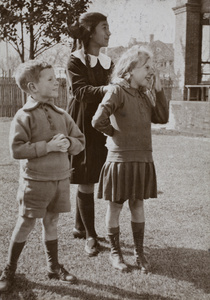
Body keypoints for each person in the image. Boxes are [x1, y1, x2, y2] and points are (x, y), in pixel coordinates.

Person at [0, 60, 85, 293]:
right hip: (35, 182)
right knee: (26, 222)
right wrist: (47, 147)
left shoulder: (62, 114)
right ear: (32, 87)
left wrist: (69, 143)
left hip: (61, 179)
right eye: (49, 79)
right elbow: (16, 150)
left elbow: (80, 142)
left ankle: (53, 266)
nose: (56, 81)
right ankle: (9, 269)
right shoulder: (23, 116)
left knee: (52, 221)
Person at [92, 45, 169, 273]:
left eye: (151, 68)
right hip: (120, 160)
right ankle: (116, 254)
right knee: (115, 206)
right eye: (146, 67)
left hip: (143, 159)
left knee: (137, 204)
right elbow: (98, 120)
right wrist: (114, 134)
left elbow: (162, 117)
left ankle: (139, 252)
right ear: (131, 69)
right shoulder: (117, 91)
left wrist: (159, 89)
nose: (150, 72)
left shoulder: (144, 94)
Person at [66, 12, 113, 257]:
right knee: (86, 175)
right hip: (82, 122)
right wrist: (109, 88)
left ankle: (78, 226)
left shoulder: (107, 62)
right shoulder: (74, 60)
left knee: (91, 172)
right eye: (104, 27)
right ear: (90, 32)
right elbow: (81, 91)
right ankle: (91, 235)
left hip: (100, 122)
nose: (109, 32)